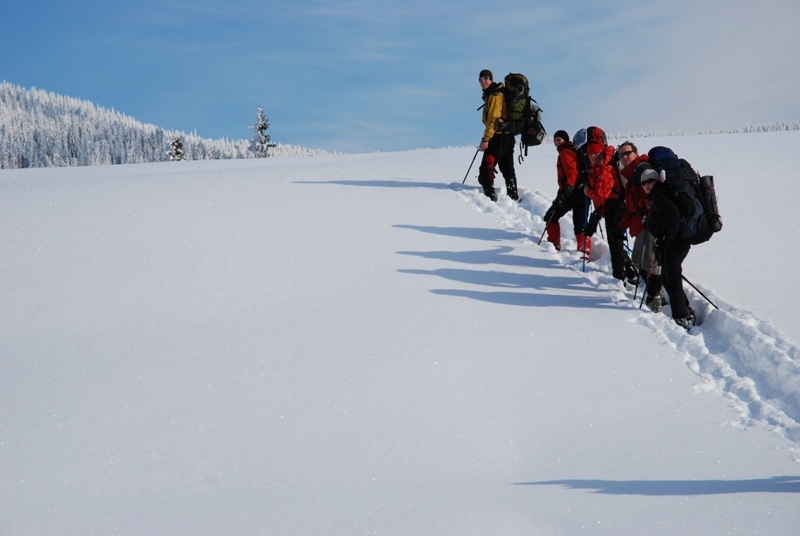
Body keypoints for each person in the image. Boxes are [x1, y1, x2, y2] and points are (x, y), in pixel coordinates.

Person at [638, 164, 696, 329]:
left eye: (650, 181)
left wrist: (668, 238)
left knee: (672, 279)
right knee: (667, 278)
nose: (647, 185)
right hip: (673, 243)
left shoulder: (660, 196)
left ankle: (681, 317)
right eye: (644, 183)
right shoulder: (658, 196)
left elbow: (674, 217)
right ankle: (685, 310)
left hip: (675, 243)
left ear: (657, 181)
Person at [582, 129, 634, 281]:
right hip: (608, 208)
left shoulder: (605, 169)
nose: (593, 155)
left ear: (601, 152)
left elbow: (600, 194)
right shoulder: (597, 167)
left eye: (596, 153)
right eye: (591, 153)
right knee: (615, 241)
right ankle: (629, 271)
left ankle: (619, 276)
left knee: (615, 243)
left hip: (615, 208)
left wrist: (587, 191)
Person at [617, 141, 663, 309]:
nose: (624, 157)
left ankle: (657, 298)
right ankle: (655, 296)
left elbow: (652, 195)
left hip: (649, 223)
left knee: (650, 262)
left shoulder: (641, 169)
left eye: (627, 153)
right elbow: (632, 204)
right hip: (641, 223)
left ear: (635, 153)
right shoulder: (632, 173)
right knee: (642, 261)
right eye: (621, 155)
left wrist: (647, 216)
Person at [477, 70, 518, 202]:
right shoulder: (496, 94)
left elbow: (493, 119)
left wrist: (486, 139)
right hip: (508, 136)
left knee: (485, 169)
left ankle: (490, 198)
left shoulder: (495, 95)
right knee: (507, 169)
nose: (483, 81)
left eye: (486, 78)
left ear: (491, 79)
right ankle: (513, 196)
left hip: (498, 136)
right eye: (480, 79)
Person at [544, 130, 588, 253]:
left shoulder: (565, 152)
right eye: (555, 140)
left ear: (565, 140)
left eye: (559, 139)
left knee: (551, 216)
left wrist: (565, 192)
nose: (557, 142)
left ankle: (554, 245)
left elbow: (571, 173)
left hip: (572, 192)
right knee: (581, 224)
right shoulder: (574, 150)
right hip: (583, 191)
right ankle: (584, 251)